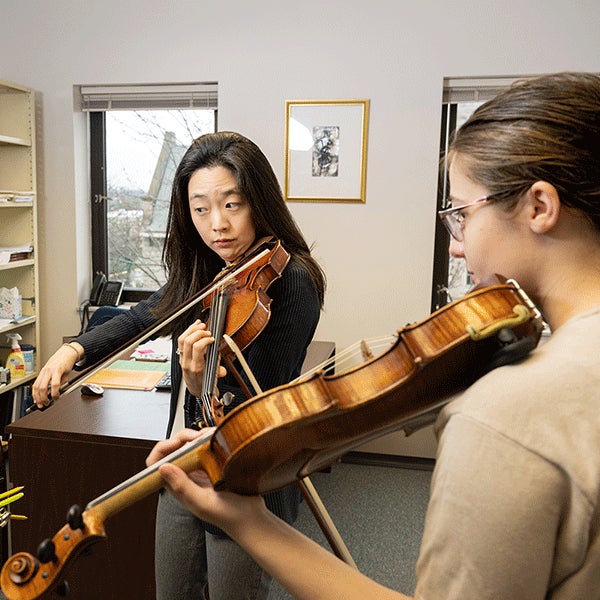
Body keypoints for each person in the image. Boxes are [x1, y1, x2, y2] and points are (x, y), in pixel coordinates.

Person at [146, 72, 600, 599]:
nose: (456, 247)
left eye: (460, 215)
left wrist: (251, 523)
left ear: (539, 208)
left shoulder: (503, 415)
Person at [32, 131, 326, 599]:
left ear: (260, 201)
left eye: (232, 204)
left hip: (246, 480)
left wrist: (197, 384)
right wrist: (75, 350)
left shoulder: (290, 282)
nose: (218, 226)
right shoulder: (209, 271)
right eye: (201, 208)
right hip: (183, 462)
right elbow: (148, 313)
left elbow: (256, 410)